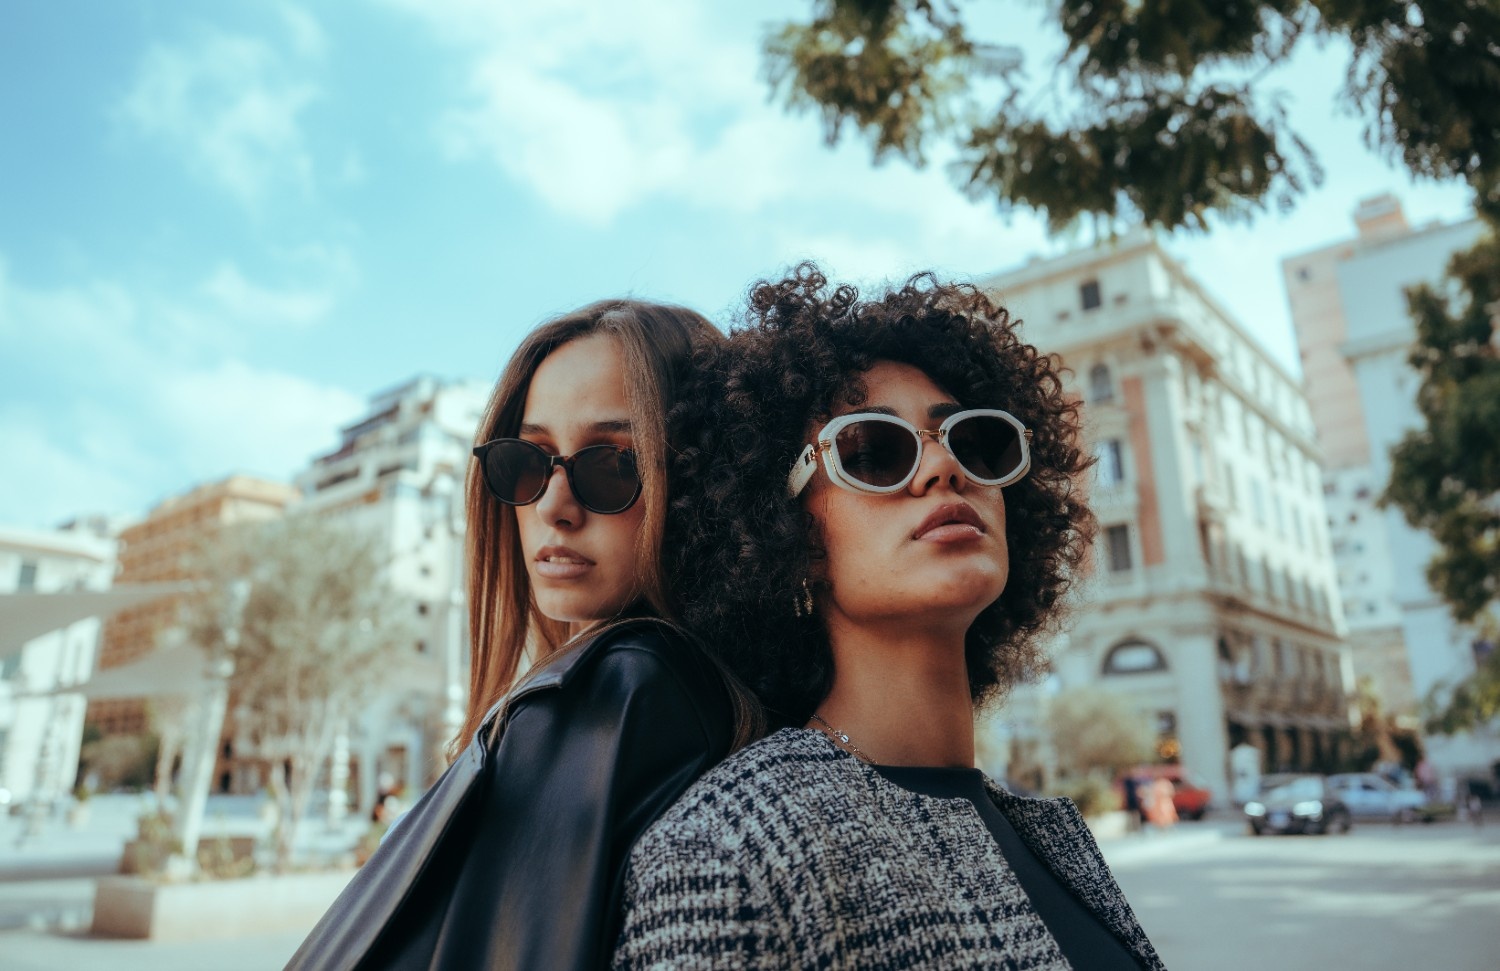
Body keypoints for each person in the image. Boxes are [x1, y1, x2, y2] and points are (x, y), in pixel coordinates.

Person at [612, 266, 1164, 970]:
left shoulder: (1052, 833)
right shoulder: (729, 849)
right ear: (789, 534)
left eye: (973, 441)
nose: (942, 468)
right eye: (873, 450)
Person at [288, 300, 758, 971]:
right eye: (527, 462)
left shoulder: (623, 687)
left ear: (702, 482)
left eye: (612, 464)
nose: (552, 508)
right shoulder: (646, 690)